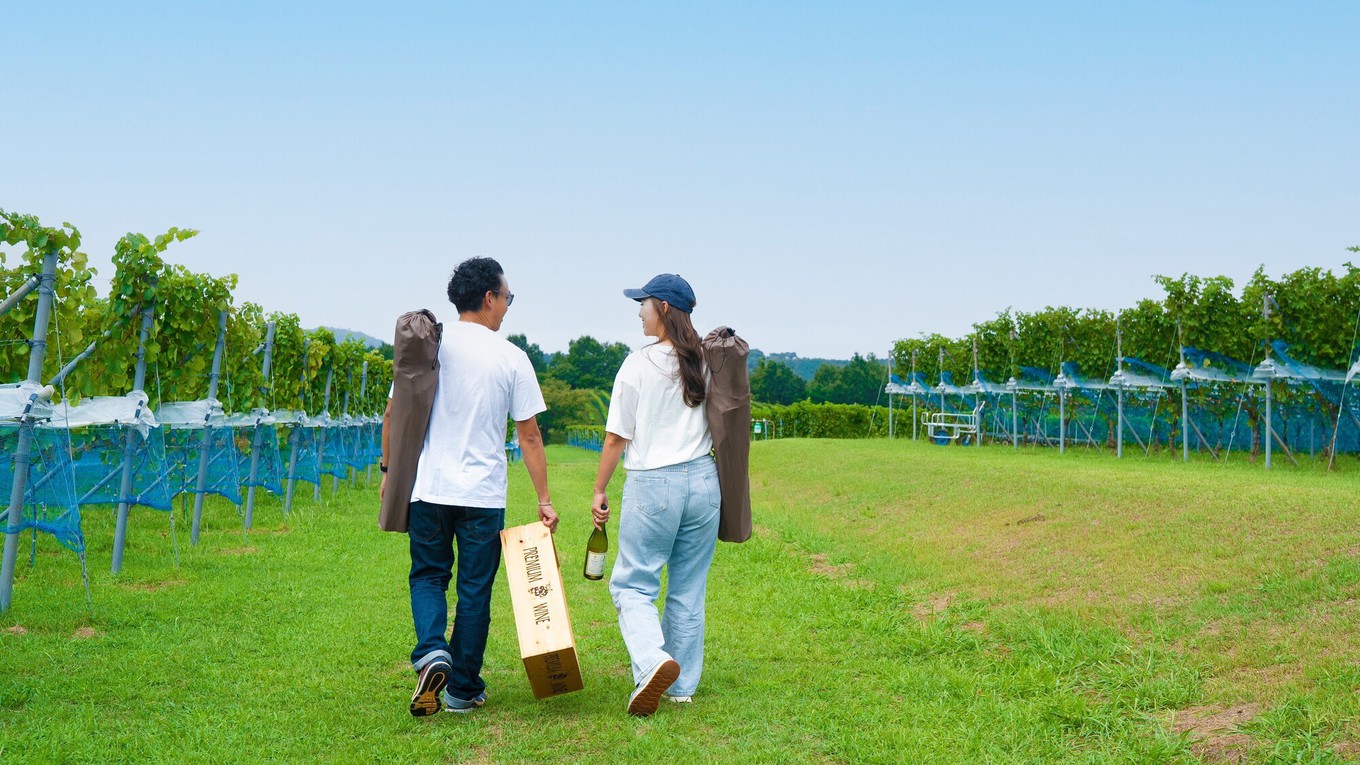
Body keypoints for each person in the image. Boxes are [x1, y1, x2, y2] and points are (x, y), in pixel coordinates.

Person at [382, 257, 557, 716]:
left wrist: (388, 473)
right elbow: (530, 435)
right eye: (507, 298)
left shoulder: (429, 348)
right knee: (475, 590)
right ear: (488, 299)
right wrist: (543, 499)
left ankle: (432, 653)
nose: (507, 308)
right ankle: (461, 690)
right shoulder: (511, 356)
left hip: (429, 489)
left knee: (428, 576)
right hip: (481, 497)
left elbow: (393, 414)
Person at [591, 273, 720, 717]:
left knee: (633, 583)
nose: (638, 310)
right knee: (688, 586)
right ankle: (681, 685)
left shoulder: (638, 364)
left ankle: (652, 661)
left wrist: (599, 488)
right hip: (704, 482)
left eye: (643, 303)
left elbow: (615, 437)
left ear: (663, 308)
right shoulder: (708, 360)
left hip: (654, 484)